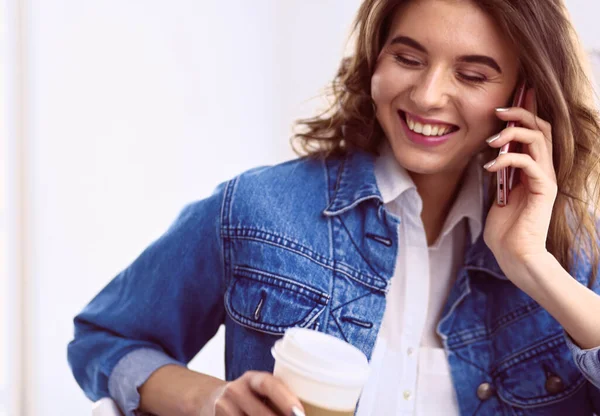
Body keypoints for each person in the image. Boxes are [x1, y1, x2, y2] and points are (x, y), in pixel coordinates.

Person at [67, 0, 600, 415]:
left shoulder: (568, 249)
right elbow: (106, 339)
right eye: (408, 58)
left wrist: (532, 265)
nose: (428, 94)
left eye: (473, 74)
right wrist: (211, 401)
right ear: (375, 63)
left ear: (524, 98)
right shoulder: (259, 210)